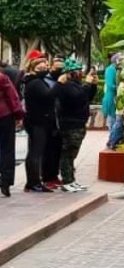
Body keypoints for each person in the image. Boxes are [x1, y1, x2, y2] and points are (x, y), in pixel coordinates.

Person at [50, 58, 98, 193]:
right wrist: (87, 85)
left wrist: (93, 86)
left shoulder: (76, 85)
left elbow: (86, 97)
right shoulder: (66, 86)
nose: (80, 73)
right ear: (70, 73)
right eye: (77, 71)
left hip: (79, 122)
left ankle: (71, 179)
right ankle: (67, 180)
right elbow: (77, 97)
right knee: (68, 153)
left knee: (72, 154)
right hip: (70, 124)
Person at [23, 51, 54, 193]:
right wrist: (59, 84)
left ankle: (33, 181)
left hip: (35, 120)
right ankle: (34, 181)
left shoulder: (33, 81)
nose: (46, 67)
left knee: (34, 151)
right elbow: (48, 96)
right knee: (36, 152)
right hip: (37, 121)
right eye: (43, 65)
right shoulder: (35, 82)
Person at [0, 70, 24, 197]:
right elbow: (12, 96)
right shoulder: (2, 78)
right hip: (4, 116)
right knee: (7, 149)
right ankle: (6, 181)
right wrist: (18, 114)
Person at [42, 55, 65, 190]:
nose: (59, 70)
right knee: (48, 151)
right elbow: (49, 96)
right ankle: (47, 177)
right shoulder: (46, 81)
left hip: (61, 120)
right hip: (49, 120)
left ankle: (54, 175)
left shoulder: (63, 80)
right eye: (56, 67)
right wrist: (59, 84)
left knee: (57, 150)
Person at [103, 54, 119, 137]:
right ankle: (112, 141)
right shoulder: (110, 69)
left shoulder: (115, 69)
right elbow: (110, 85)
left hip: (115, 97)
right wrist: (120, 88)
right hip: (111, 97)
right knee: (112, 121)